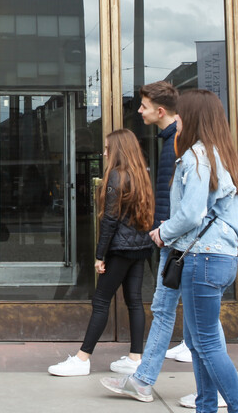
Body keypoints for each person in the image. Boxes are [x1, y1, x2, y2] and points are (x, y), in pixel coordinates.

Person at [105, 89, 238, 412]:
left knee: (207, 344)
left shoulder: (196, 156)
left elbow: (190, 213)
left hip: (203, 259)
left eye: (182, 113)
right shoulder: (222, 156)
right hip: (223, 256)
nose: (177, 118)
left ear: (194, 118)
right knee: (200, 343)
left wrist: (162, 233)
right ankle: (206, 406)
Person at [47, 129, 155, 377]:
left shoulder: (116, 176)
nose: (104, 153)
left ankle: (83, 359)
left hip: (120, 248)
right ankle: (135, 357)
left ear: (118, 150)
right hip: (139, 247)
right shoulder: (141, 174)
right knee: (135, 301)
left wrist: (99, 255)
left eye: (107, 149)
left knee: (101, 301)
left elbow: (110, 221)